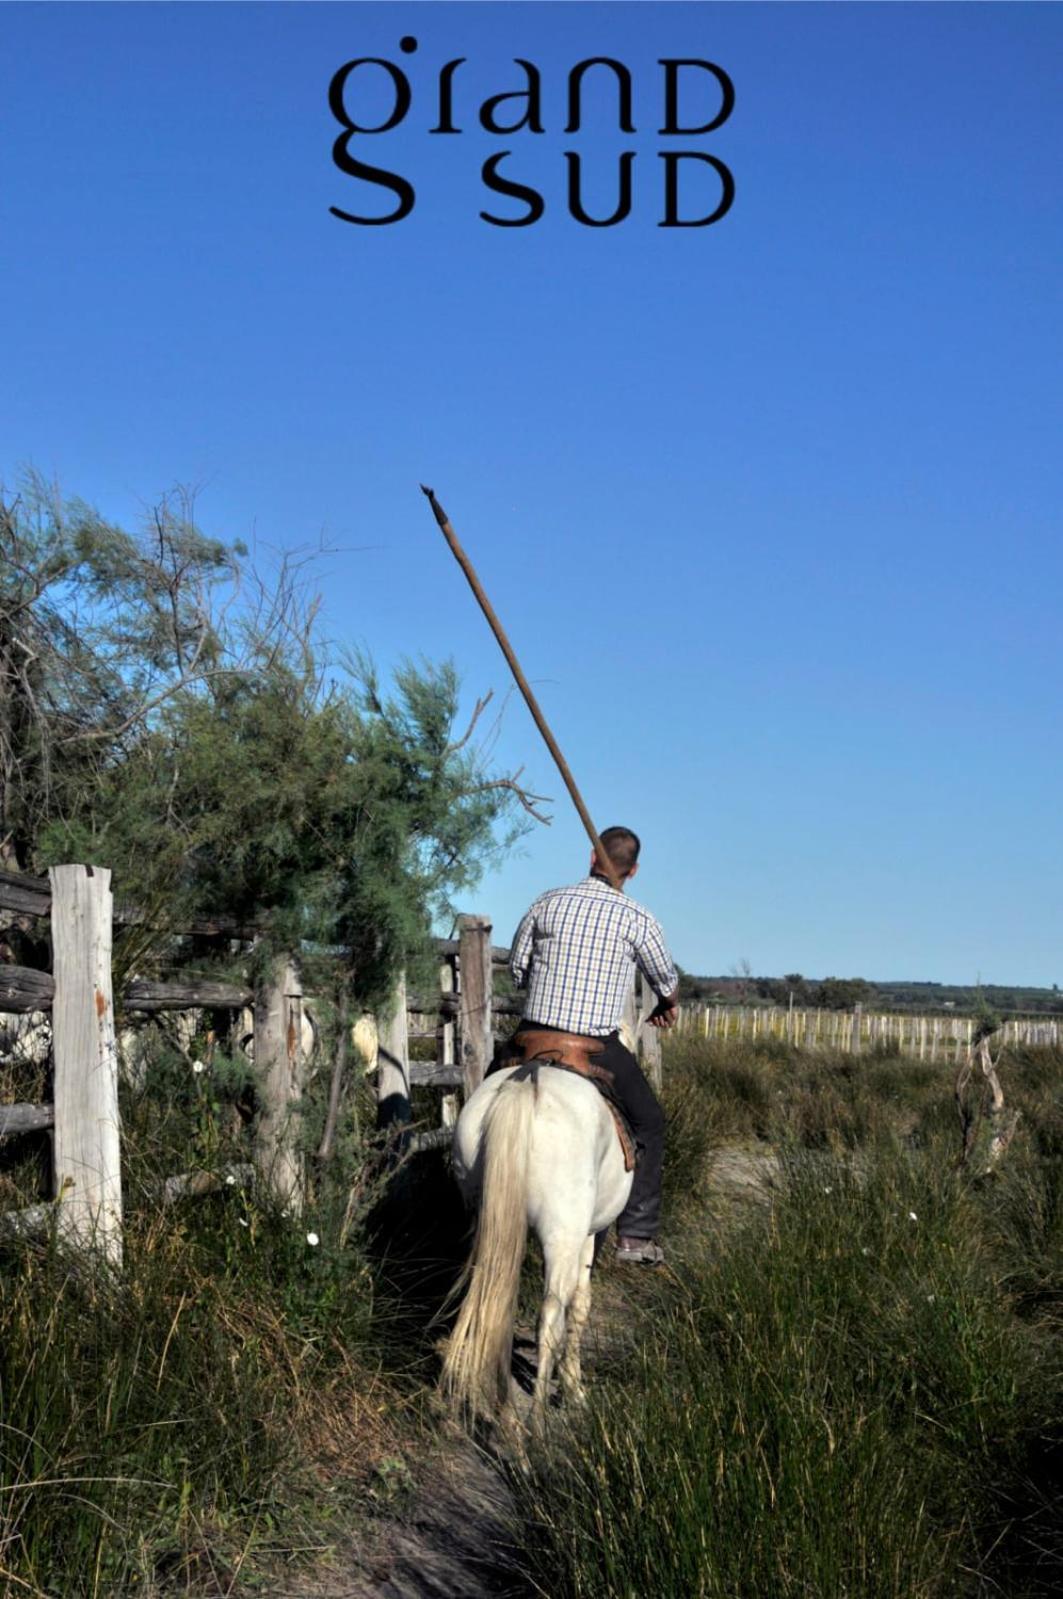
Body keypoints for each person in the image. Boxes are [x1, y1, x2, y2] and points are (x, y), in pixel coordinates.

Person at [504, 825, 680, 1265]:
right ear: (633, 870)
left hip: (531, 1037)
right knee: (650, 1123)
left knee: (484, 1100)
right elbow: (665, 980)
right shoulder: (637, 918)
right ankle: (636, 1237)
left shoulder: (547, 901)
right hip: (595, 1045)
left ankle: (466, 1206)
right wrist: (667, 1003)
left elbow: (517, 968)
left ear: (590, 857)